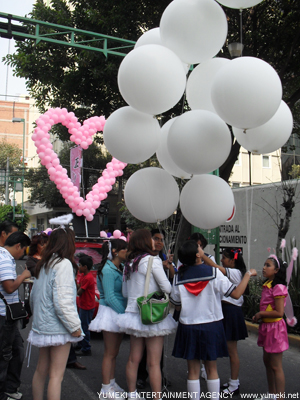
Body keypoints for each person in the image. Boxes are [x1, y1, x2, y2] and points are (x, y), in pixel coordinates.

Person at [171, 240, 257, 400]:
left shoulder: (178, 277)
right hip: (212, 325)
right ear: (198, 254)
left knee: (193, 371)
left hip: (188, 326)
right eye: (199, 248)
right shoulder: (214, 273)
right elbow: (236, 294)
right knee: (211, 368)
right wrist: (247, 275)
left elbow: (176, 304)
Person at [117, 229, 177, 400]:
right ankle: (156, 397)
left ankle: (132, 394)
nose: (154, 241)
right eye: (151, 239)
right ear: (145, 241)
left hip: (133, 314)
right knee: (153, 362)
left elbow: (125, 292)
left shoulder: (129, 264)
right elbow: (167, 288)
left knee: (133, 358)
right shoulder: (153, 260)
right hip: (151, 314)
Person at [28, 228, 82, 400]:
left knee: (41, 371)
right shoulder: (63, 264)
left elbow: (33, 297)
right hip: (58, 327)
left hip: (42, 325)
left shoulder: (44, 263)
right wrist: (75, 327)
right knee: (56, 376)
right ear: (68, 243)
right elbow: (63, 302)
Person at [204, 248, 249, 395]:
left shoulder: (235, 272)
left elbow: (215, 267)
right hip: (226, 311)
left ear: (232, 260)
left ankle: (234, 384)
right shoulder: (232, 272)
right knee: (228, 349)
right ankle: (232, 382)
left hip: (232, 313)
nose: (222, 260)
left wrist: (201, 253)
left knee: (232, 351)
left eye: (224, 258)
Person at [89, 239, 128, 398]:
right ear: (115, 251)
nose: (127, 251)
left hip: (117, 312)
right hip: (111, 312)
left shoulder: (120, 267)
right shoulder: (108, 269)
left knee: (114, 352)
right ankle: (106, 388)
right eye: (124, 248)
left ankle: (111, 383)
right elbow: (110, 297)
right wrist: (125, 315)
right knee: (109, 353)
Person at [136, 229, 174, 389]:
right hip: (149, 306)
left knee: (152, 350)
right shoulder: (148, 259)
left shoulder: (161, 258)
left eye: (161, 239)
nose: (159, 242)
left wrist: (169, 265)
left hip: (156, 307)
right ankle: (143, 377)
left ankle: (156, 377)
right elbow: (166, 286)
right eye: (156, 238)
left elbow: (172, 276)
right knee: (145, 350)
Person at [252, 255, 289, 398]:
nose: (264, 267)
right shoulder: (267, 285)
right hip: (267, 328)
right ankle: (272, 394)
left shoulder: (278, 287)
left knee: (275, 366)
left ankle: (279, 396)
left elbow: (279, 312)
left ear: (276, 270)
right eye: (264, 264)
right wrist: (261, 316)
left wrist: (261, 314)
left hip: (275, 329)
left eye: (268, 265)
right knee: (267, 362)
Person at [0, 231, 31, 400]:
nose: (23, 254)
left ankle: (10, 388)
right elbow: (9, 287)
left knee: (15, 349)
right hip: (4, 315)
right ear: (18, 245)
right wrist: (23, 276)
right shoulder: (4, 259)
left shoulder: (4, 257)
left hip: (7, 315)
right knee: (5, 354)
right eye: (24, 249)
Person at [76, 255, 95, 356]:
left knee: (85, 327)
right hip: (83, 304)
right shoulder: (84, 276)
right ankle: (80, 343)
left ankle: (86, 347)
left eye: (80, 265)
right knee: (81, 325)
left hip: (87, 306)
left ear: (85, 267)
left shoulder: (88, 278)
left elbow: (80, 291)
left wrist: (76, 288)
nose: (79, 267)